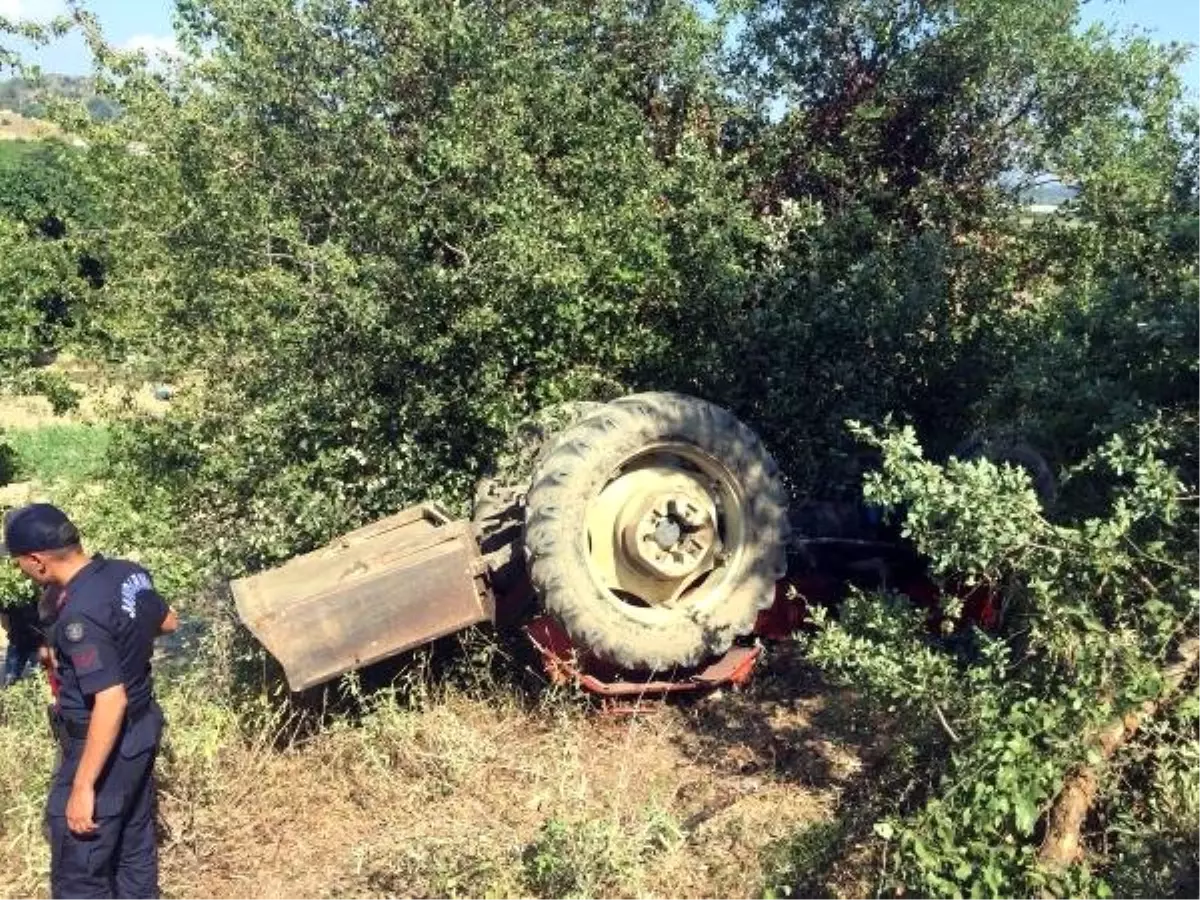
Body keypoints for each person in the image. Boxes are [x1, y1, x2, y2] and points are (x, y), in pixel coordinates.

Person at [1, 503, 178, 899]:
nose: (19, 571)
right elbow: (168, 621)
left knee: (80, 867)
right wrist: (124, 646)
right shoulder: (127, 572)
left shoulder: (79, 617)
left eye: (19, 563)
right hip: (142, 727)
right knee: (134, 845)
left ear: (37, 560)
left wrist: (83, 785)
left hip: (100, 744)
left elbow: (110, 700)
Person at [2, 594, 43, 686]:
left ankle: (10, 696)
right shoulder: (38, 590)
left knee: (11, 677)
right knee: (39, 676)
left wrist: (14, 631)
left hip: (22, 640)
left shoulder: (9, 593)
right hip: (31, 640)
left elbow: (4, 621)